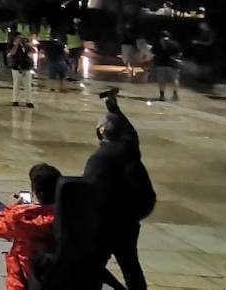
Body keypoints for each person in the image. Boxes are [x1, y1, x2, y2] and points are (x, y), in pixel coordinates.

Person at [85, 88, 154, 290]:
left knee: (93, 265)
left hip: (105, 224)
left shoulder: (101, 158)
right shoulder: (130, 150)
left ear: (103, 132)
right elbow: (130, 133)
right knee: (131, 266)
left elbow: (89, 190)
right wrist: (113, 106)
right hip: (128, 223)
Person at [0, 163, 61, 290]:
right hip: (59, 277)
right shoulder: (66, 215)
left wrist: (11, 207)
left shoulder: (23, 217)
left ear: (35, 192)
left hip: (23, 276)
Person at [151, 30, 181, 102]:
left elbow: (152, 52)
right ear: (169, 36)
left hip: (160, 64)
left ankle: (162, 96)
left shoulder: (157, 44)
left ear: (160, 37)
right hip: (172, 64)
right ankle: (175, 94)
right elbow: (179, 54)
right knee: (175, 79)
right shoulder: (174, 43)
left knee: (162, 80)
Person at [9, 35, 35, 108]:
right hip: (16, 67)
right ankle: (15, 100)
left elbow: (33, 51)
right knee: (16, 84)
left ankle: (29, 101)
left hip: (26, 67)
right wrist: (16, 44)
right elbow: (12, 53)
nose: (21, 40)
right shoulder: (12, 45)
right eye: (19, 38)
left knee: (28, 86)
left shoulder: (26, 46)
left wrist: (29, 44)